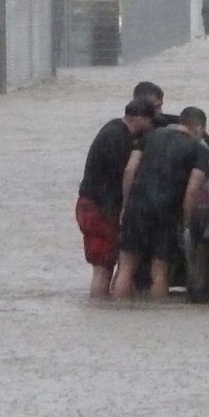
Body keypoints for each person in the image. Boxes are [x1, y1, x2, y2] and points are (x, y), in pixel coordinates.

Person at [113, 106, 209, 300]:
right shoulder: (199, 149)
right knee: (160, 270)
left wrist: (126, 204)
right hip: (166, 211)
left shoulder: (150, 136)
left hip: (137, 207)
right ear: (199, 128)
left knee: (126, 266)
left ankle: (119, 314)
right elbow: (193, 189)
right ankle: (158, 317)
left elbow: (129, 171)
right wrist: (187, 220)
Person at [76, 98, 155, 298]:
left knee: (103, 265)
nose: (151, 126)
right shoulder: (119, 138)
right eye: (149, 121)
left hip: (89, 205)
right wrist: (122, 211)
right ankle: (100, 309)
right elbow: (120, 176)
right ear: (139, 118)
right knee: (103, 267)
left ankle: (104, 312)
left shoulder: (112, 128)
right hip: (99, 208)